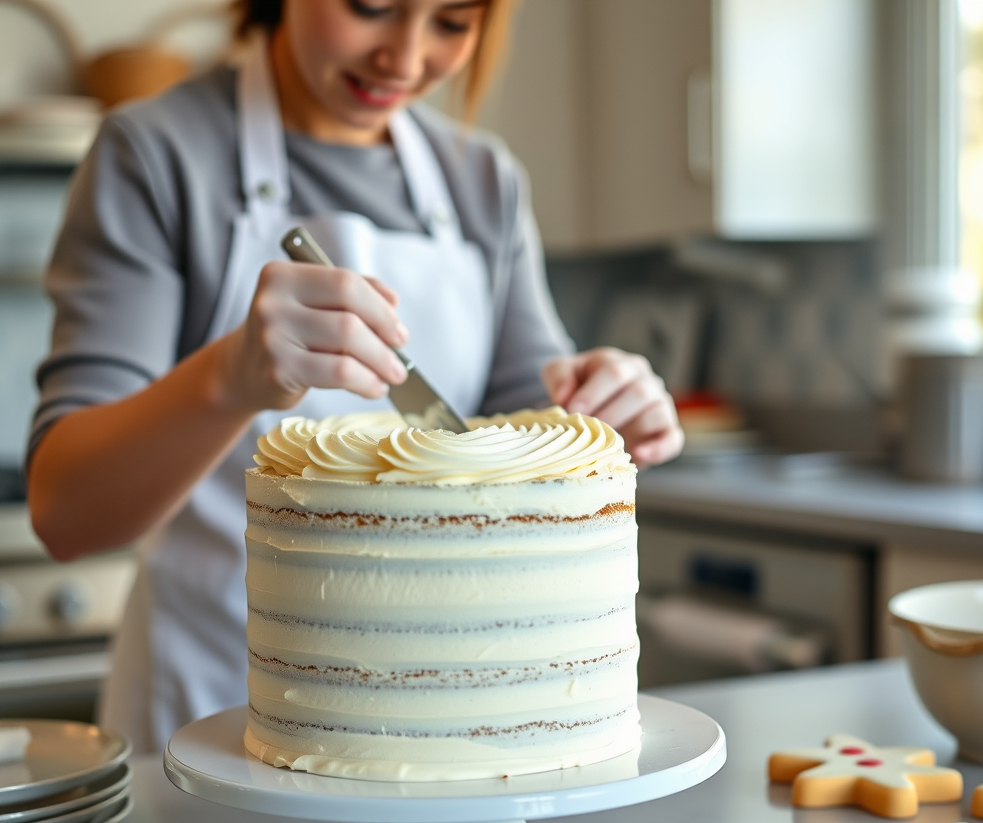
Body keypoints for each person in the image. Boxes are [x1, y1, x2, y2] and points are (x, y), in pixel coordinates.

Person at [26, 0, 683, 753]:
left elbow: (516, 440)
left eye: (452, 22)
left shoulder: (481, 180)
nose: (404, 60)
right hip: (213, 716)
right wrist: (231, 378)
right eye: (371, 6)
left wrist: (594, 415)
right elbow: (66, 512)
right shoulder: (156, 154)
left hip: (444, 733)